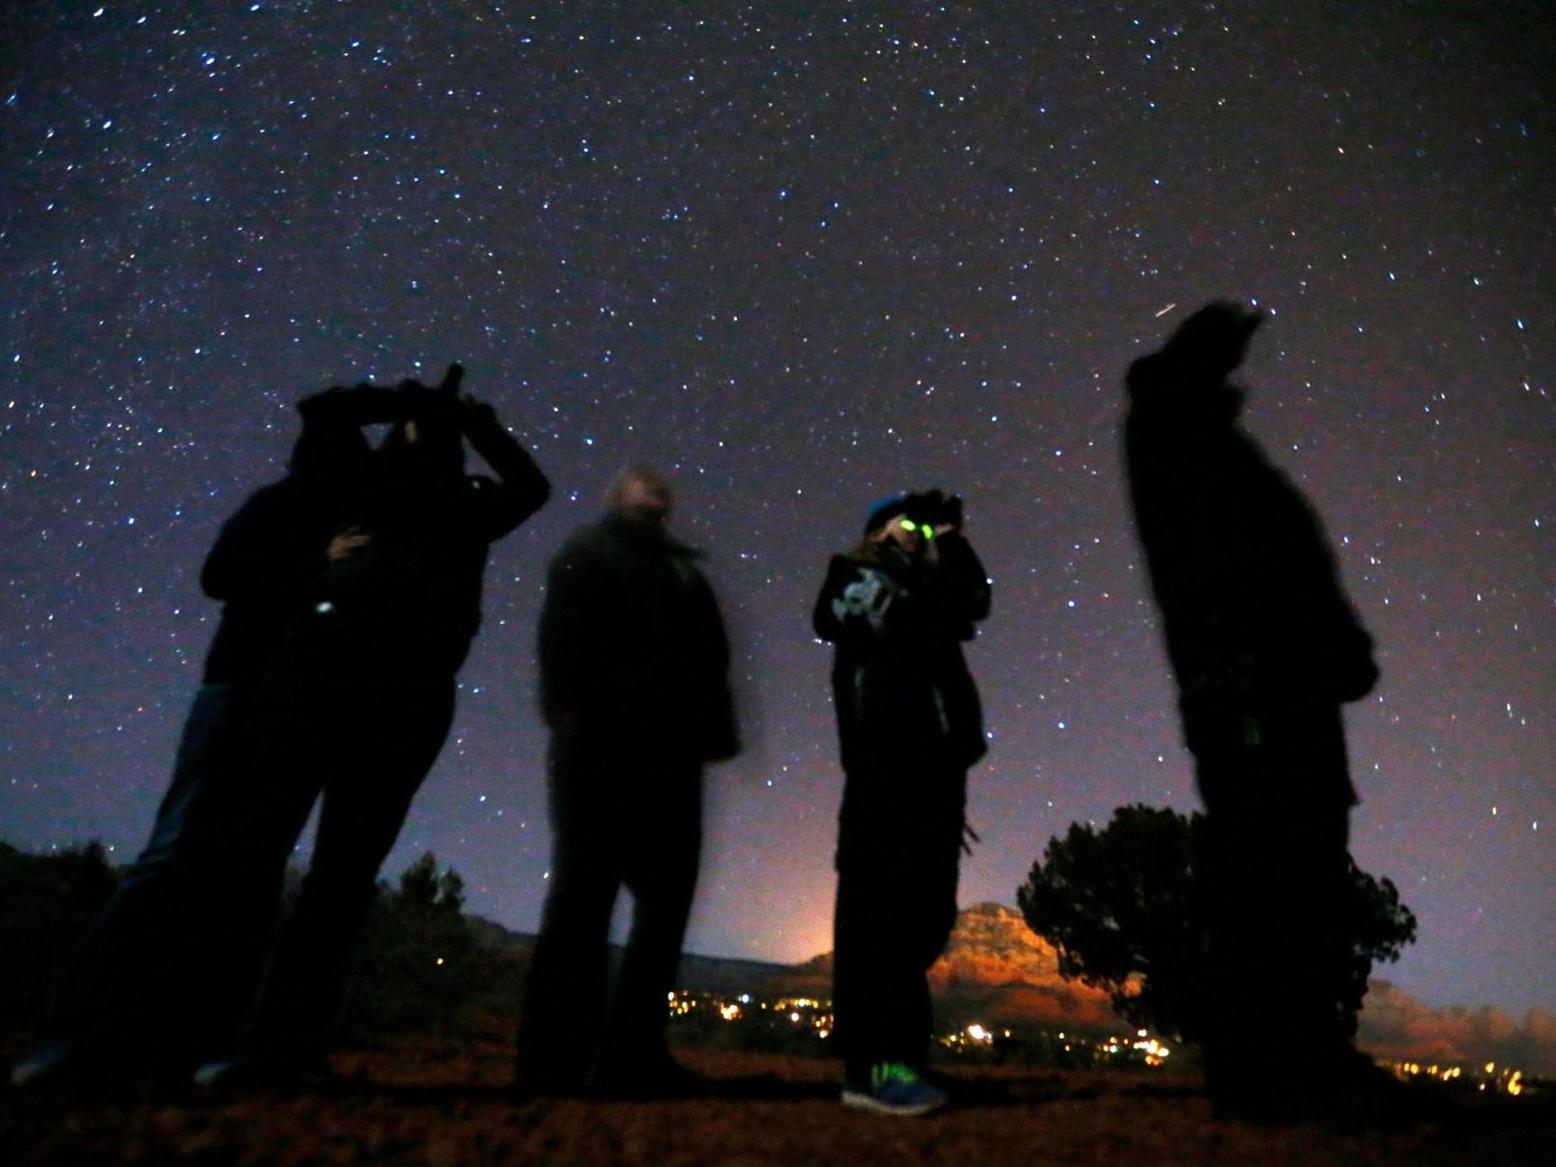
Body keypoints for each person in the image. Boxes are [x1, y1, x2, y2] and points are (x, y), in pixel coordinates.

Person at [11, 380, 392, 1090]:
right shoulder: (277, 505)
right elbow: (220, 576)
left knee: (247, 874)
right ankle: (72, 1039)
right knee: (174, 854)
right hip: (238, 692)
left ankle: (193, 1045)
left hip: (290, 703)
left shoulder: (346, 510)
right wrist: (319, 563)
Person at [187, 367, 551, 1086]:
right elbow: (321, 410)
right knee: (279, 860)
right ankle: (214, 1040)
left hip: (393, 695)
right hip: (334, 679)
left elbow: (532, 488)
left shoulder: (458, 501)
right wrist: (425, 407)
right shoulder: (371, 481)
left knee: (336, 874)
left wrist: (456, 417)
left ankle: (278, 1048)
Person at [1123, 302, 1383, 1122]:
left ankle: (1298, 1054)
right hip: (1252, 679)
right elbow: (1250, 564)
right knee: (1270, 862)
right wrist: (1306, 641)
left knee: (1301, 861)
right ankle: (1271, 1070)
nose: (1239, 365)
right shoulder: (1180, 437)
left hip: (1279, 678)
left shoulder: (1203, 442)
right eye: (1225, 351)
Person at [515, 466, 738, 1098]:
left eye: (660, 486)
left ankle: (632, 1055)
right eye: (641, 484)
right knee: (584, 900)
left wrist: (713, 734)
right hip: (603, 749)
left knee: (662, 908)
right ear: (617, 497)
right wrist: (576, 724)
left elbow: (711, 659)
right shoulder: (588, 555)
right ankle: (553, 1063)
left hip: (672, 754)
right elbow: (561, 648)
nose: (656, 490)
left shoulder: (683, 573)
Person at [812, 489, 991, 1116]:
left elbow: (975, 600)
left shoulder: (933, 589)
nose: (920, 532)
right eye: (908, 522)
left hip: (938, 774)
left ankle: (906, 1060)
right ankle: (872, 1067)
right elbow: (888, 616)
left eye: (926, 526)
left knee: (926, 918)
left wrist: (951, 540)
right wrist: (921, 569)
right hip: (885, 768)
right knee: (878, 918)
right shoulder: (853, 576)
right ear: (877, 532)